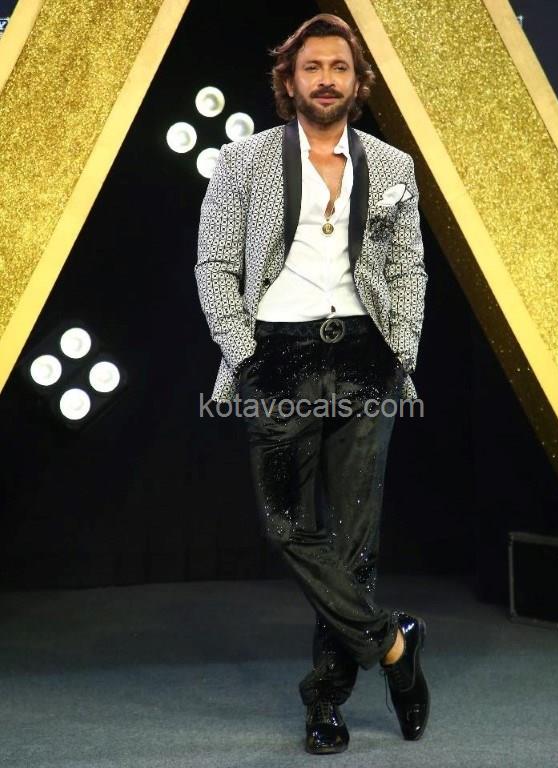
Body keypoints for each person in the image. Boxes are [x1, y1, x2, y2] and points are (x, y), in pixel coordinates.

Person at [195, 13, 429, 755]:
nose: (326, 80)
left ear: (357, 82)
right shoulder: (244, 162)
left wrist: (401, 351)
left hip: (365, 357)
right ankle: (394, 645)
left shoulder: (392, 166)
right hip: (278, 358)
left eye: (339, 68)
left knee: (355, 544)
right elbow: (214, 267)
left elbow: (408, 266)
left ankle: (326, 701)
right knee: (286, 525)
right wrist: (246, 356)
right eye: (312, 68)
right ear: (289, 80)